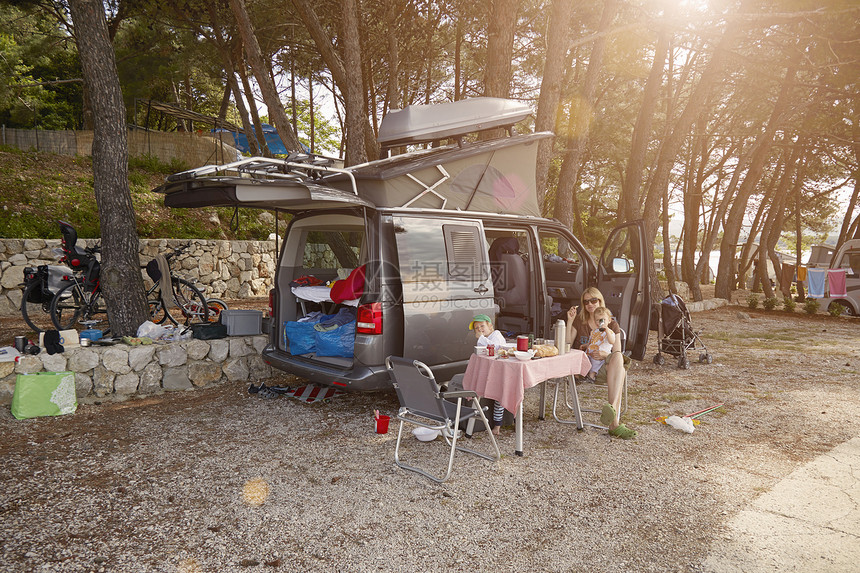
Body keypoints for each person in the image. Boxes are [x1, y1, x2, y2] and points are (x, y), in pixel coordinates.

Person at [566, 287, 636, 439]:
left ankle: (612, 415)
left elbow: (617, 352)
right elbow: (567, 343)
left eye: (593, 300)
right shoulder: (580, 321)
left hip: (604, 367)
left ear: (600, 301)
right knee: (622, 371)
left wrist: (605, 354)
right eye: (586, 302)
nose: (590, 304)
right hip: (585, 368)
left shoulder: (611, 324)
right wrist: (570, 320)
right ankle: (614, 423)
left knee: (617, 358)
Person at [469, 313, 507, 434]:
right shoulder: (485, 339)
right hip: (491, 373)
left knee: (500, 399)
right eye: (477, 328)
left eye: (482, 326)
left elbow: (494, 347)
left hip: (502, 373)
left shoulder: (496, 335)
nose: (479, 329)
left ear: (490, 326)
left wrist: (480, 338)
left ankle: (497, 426)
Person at [583, 306, 617, 381]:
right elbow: (591, 342)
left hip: (600, 354)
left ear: (609, 320)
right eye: (598, 320)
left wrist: (606, 330)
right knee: (584, 358)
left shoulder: (610, 332)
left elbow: (612, 341)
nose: (600, 322)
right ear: (595, 322)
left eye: (603, 320)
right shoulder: (594, 332)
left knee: (595, 361)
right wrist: (585, 346)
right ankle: (581, 374)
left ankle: (592, 376)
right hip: (590, 352)